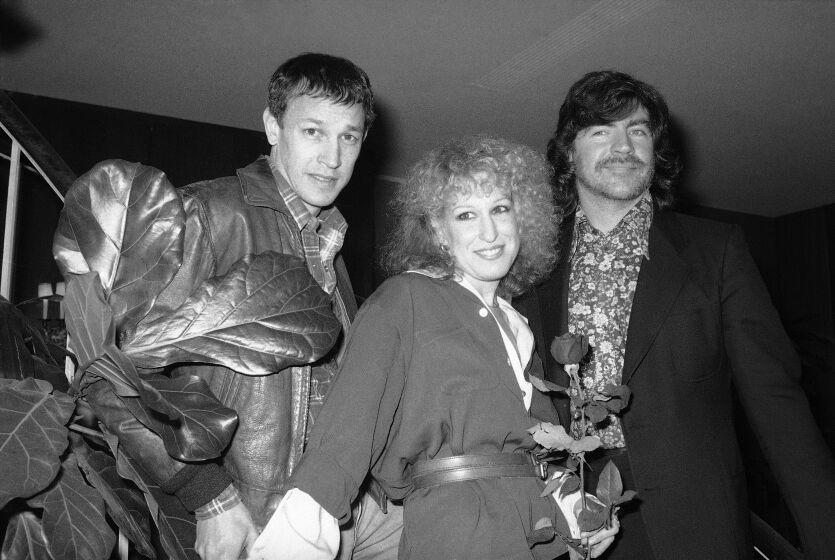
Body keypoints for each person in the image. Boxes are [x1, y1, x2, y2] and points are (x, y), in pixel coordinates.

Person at [78, 53, 402, 560]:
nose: (333, 157)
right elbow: (109, 375)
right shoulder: (207, 214)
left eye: (349, 136)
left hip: (355, 510)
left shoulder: (330, 244)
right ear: (273, 126)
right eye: (314, 131)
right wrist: (207, 496)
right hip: (262, 516)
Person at [247, 136, 619, 560]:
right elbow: (348, 426)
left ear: (523, 219)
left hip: (535, 534)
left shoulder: (520, 327)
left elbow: (544, 446)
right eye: (466, 215)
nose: (489, 232)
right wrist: (297, 537)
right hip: (456, 530)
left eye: (500, 209)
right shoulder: (405, 298)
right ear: (439, 232)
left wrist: (578, 508)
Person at [515, 70, 835, 559]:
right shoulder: (531, 264)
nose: (624, 146)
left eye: (638, 131)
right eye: (602, 130)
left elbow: (777, 405)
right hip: (572, 527)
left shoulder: (715, 251)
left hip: (697, 523)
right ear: (568, 152)